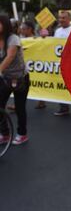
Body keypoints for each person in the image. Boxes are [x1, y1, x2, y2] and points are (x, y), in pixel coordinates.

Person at [0, 16, 30, 145]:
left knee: (19, 108)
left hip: (20, 79)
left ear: (4, 25)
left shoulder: (13, 38)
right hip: (5, 78)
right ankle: (5, 133)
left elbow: (10, 56)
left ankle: (22, 134)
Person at [53, 11, 71, 116]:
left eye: (63, 18)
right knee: (60, 84)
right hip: (59, 63)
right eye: (60, 18)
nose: (61, 20)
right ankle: (63, 107)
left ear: (69, 19)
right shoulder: (57, 31)